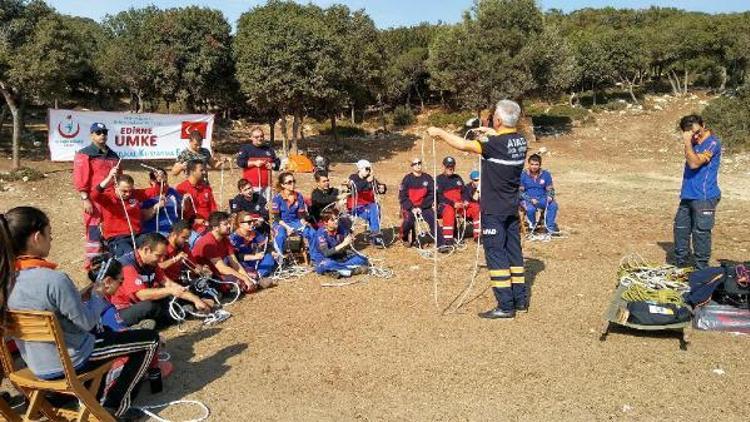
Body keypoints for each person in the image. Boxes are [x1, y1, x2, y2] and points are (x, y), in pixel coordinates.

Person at [2, 206, 159, 420]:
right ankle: (113, 410)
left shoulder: (6, 280)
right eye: (50, 235)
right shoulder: (54, 279)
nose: (51, 240)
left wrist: (79, 297)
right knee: (150, 340)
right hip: (72, 360)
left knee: (107, 343)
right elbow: (86, 323)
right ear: (37, 238)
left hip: (36, 366)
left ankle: (93, 402)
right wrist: (97, 294)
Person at [428, 99, 528, 319]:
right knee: (514, 252)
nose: (492, 118)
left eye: (494, 117)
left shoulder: (493, 145)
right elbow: (504, 139)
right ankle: (520, 300)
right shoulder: (521, 141)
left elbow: (464, 145)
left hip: (494, 210)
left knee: (495, 254)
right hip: (511, 207)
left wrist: (440, 133)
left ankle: (505, 306)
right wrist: (491, 130)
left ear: (499, 120)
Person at [111, 233, 212, 327]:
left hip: (142, 304)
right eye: (159, 255)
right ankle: (139, 327)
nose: (161, 260)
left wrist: (196, 300)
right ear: (146, 250)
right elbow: (141, 295)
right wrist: (170, 291)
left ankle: (171, 315)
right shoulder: (127, 265)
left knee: (173, 297)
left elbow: (169, 284)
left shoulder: (152, 263)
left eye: (163, 256)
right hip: (122, 311)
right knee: (149, 306)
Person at [673, 114, 722, 270]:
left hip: (704, 196)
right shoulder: (692, 143)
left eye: (696, 132)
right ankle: (681, 265)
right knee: (680, 229)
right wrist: (690, 143)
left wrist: (687, 143)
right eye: (690, 133)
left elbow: (694, 164)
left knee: (701, 232)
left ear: (703, 124)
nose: (695, 136)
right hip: (687, 194)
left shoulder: (712, 143)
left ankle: (702, 270)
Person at [72, 122, 120, 268]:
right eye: (98, 133)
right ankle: (92, 264)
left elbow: (119, 177)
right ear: (91, 135)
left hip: (111, 200)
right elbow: (81, 179)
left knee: (110, 227)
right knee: (93, 229)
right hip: (95, 199)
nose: (102, 135)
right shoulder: (85, 154)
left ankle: (108, 260)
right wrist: (85, 199)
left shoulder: (113, 155)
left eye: (104, 132)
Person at [91, 167, 162, 258]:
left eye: (130, 191)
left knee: (156, 248)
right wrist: (109, 178)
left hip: (137, 235)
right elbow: (94, 195)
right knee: (130, 256)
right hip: (117, 238)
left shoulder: (134, 195)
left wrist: (160, 180)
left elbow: (157, 191)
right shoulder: (108, 198)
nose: (128, 194)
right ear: (115, 186)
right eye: (124, 191)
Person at [192, 211, 259, 293]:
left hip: (219, 271)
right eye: (225, 224)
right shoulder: (208, 242)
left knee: (252, 275)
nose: (229, 226)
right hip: (206, 275)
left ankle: (251, 283)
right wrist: (244, 278)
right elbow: (221, 268)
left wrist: (247, 278)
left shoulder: (224, 238)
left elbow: (234, 262)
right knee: (238, 282)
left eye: (228, 223)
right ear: (215, 227)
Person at [310, 210, 369, 278]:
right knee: (327, 264)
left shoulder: (341, 228)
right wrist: (344, 244)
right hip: (325, 259)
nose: (336, 221)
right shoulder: (320, 234)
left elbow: (348, 240)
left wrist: (350, 240)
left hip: (340, 258)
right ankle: (353, 271)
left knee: (362, 259)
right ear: (325, 222)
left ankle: (338, 270)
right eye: (332, 220)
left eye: (336, 219)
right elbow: (326, 253)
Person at [271, 172, 314, 256]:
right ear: (283, 185)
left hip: (295, 221)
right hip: (281, 223)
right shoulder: (277, 198)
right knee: (280, 236)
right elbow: (276, 218)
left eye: (294, 181)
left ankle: (314, 257)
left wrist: (303, 222)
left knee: (311, 232)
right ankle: (280, 258)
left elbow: (300, 214)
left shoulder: (299, 196)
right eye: (289, 182)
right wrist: (287, 228)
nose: (293, 184)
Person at [399, 158, 438, 248]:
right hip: (410, 208)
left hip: (424, 207)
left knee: (433, 219)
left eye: (419, 163)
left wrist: (421, 207)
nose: (418, 165)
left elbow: (432, 194)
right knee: (408, 221)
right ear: (412, 166)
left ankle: (441, 243)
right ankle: (404, 237)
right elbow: (402, 196)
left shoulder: (428, 178)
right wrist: (412, 208)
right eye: (415, 163)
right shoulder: (407, 179)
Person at [346, 159, 386, 246]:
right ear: (360, 169)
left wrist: (382, 188)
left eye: (370, 169)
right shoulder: (353, 177)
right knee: (374, 210)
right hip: (356, 206)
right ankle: (375, 234)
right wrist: (367, 181)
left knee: (375, 208)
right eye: (366, 169)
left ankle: (375, 233)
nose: (368, 172)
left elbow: (378, 188)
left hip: (369, 207)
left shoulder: (371, 179)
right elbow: (354, 188)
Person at [229, 211, 277, 281]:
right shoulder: (234, 238)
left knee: (269, 257)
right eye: (249, 222)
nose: (252, 224)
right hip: (243, 262)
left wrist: (272, 252)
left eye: (252, 221)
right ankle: (256, 276)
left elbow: (265, 245)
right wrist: (254, 257)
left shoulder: (254, 233)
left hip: (255, 261)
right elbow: (235, 257)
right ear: (240, 224)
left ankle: (257, 275)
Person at [175, 160, 218, 237]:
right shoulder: (181, 188)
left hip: (210, 225)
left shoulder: (206, 188)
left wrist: (215, 222)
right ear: (192, 172)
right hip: (193, 227)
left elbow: (213, 209)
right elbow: (181, 214)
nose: (204, 172)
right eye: (201, 170)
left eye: (204, 170)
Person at [519, 154, 559, 233]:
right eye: (532, 164)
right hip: (527, 199)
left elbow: (550, 188)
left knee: (553, 205)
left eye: (536, 164)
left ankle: (550, 227)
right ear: (529, 164)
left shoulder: (545, 174)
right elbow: (520, 192)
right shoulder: (523, 175)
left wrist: (550, 196)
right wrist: (530, 199)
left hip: (542, 198)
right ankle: (532, 226)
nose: (534, 166)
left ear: (540, 165)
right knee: (531, 209)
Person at [237, 127, 280, 197]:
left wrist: (272, 165)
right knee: (253, 206)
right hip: (251, 187)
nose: (260, 138)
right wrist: (254, 163)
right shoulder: (246, 149)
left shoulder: (269, 149)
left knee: (266, 206)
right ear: (251, 138)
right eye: (256, 137)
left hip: (267, 186)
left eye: (261, 136)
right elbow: (240, 162)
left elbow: (277, 163)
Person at [141, 168, 182, 235]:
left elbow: (182, 209)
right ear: (151, 181)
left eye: (165, 181)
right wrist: (156, 207)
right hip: (156, 231)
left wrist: (184, 203)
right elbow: (143, 217)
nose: (164, 185)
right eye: (160, 182)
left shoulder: (172, 192)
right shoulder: (146, 194)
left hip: (175, 229)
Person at [436, 156, 466, 245]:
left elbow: (464, 192)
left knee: (476, 207)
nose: (450, 168)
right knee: (449, 210)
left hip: (460, 205)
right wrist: (453, 204)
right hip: (445, 205)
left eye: (452, 166)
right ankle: (448, 239)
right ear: (443, 166)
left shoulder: (457, 178)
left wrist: (465, 200)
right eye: (448, 166)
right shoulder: (439, 179)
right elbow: (440, 197)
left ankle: (479, 235)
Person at [463, 170, 482, 241]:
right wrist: (478, 189)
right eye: (476, 180)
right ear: (472, 180)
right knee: (476, 207)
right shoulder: (467, 188)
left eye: (480, 180)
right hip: (469, 209)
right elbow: (474, 198)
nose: (478, 182)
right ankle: (477, 235)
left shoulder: (485, 187)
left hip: (481, 208)